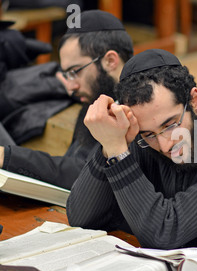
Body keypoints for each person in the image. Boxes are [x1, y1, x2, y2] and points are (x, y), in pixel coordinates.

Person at [66, 49, 197, 258]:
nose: (164, 145)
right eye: (149, 134)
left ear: (195, 101)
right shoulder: (141, 133)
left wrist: (118, 154)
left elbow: (163, 234)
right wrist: (109, 146)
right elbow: (82, 217)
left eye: (170, 125)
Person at [0, 10, 133, 190]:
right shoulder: (97, 98)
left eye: (75, 72)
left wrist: (8, 157)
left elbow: (84, 173)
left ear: (110, 61)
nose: (70, 87)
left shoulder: (140, 110)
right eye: (66, 75)